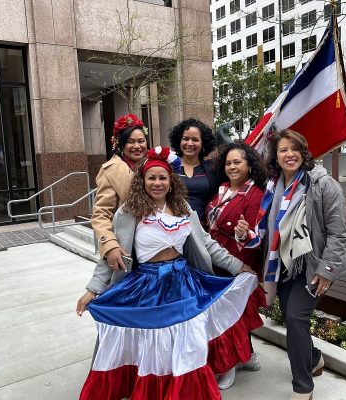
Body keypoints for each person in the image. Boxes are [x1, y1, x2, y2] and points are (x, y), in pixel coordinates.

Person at [76, 146, 264, 400]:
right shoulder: (128, 212)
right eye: (151, 177)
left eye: (162, 177)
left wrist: (237, 266)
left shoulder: (183, 208)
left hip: (184, 283)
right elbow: (111, 256)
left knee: (187, 346)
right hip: (146, 287)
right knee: (154, 348)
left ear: (171, 180)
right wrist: (93, 289)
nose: (157, 183)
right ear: (142, 181)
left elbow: (207, 243)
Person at [242, 129, 346, 400]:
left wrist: (327, 270)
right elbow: (267, 229)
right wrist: (247, 234)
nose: (289, 154)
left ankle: (303, 388)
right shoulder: (271, 185)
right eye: (283, 150)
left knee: (295, 316)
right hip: (284, 266)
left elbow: (338, 233)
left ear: (304, 153)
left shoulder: (323, 185)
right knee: (292, 318)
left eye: (295, 149)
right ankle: (313, 358)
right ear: (275, 157)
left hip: (313, 266)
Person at [206, 142, 267, 390]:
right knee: (225, 316)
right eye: (228, 162)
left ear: (249, 165)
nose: (232, 167)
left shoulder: (256, 195)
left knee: (231, 319)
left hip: (239, 266)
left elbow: (256, 235)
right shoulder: (221, 189)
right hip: (215, 263)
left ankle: (229, 365)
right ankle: (247, 358)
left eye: (237, 162)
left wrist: (244, 234)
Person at [91, 113, 148, 271]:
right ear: (120, 145)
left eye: (141, 141)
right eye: (130, 142)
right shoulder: (111, 170)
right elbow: (101, 214)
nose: (137, 146)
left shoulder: (155, 165)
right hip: (129, 244)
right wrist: (110, 245)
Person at [168, 118, 219, 226]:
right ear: (179, 140)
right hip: (173, 228)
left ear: (203, 143)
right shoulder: (168, 167)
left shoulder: (213, 168)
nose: (189, 143)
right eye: (185, 139)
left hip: (203, 229)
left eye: (195, 140)